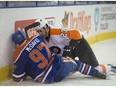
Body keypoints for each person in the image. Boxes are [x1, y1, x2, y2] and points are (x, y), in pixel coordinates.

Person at [24, 18, 116, 74]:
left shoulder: (56, 31)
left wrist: (70, 47)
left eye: (41, 31)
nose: (40, 33)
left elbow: (77, 33)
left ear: (46, 27)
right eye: (38, 31)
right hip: (67, 51)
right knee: (66, 71)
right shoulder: (41, 38)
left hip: (79, 45)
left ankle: (111, 68)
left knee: (96, 69)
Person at [11, 30, 107, 84]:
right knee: (76, 64)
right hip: (58, 67)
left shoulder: (17, 55)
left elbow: (18, 78)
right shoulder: (37, 37)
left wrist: (27, 70)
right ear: (25, 36)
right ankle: (95, 72)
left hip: (44, 79)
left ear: (16, 44)